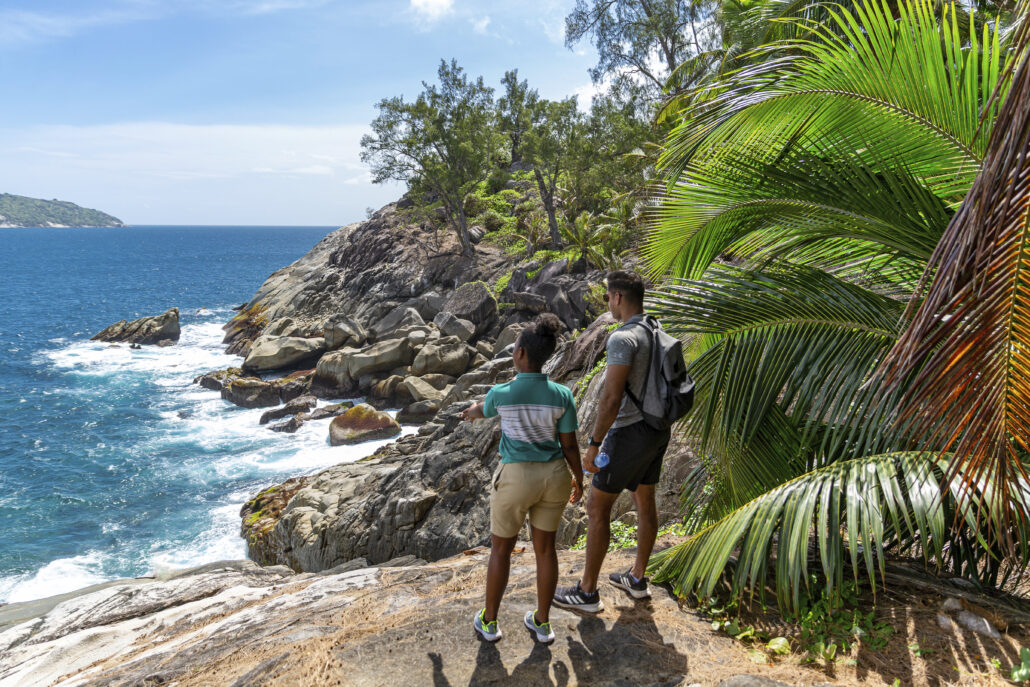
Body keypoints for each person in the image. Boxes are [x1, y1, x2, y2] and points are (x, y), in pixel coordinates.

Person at [461, 313, 584, 644]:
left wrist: (468, 412)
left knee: (501, 550)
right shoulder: (562, 395)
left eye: (514, 347)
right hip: (555, 476)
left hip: (516, 477)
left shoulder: (503, 392)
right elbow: (570, 445)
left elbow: (481, 409)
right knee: (546, 550)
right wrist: (580, 479)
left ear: (521, 354)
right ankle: (542, 623)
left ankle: (489, 622)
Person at [553, 270, 670, 613]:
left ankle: (587, 592)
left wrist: (594, 443)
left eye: (607, 297)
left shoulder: (623, 337)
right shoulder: (655, 329)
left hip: (629, 433)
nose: (608, 303)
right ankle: (636, 578)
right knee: (645, 502)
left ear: (618, 297)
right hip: (656, 429)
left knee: (597, 508)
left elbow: (611, 397)